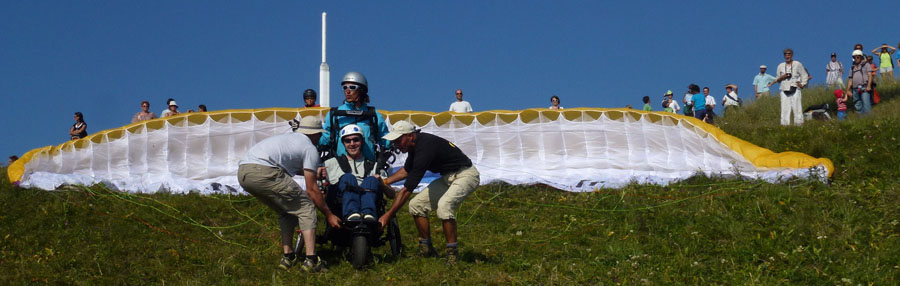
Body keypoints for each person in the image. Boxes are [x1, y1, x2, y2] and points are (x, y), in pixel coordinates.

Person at [237, 116, 340, 272]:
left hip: (244, 172)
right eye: (319, 134)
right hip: (265, 172)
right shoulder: (310, 148)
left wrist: (314, 170)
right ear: (314, 134)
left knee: (287, 210)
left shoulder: (288, 139)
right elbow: (312, 190)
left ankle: (288, 256)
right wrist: (329, 214)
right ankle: (311, 260)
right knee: (306, 206)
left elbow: (286, 164)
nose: (320, 138)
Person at [379, 121, 480, 265]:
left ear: (410, 136)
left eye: (398, 140)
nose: (396, 144)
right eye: (394, 141)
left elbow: (407, 188)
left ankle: (452, 254)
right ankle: (426, 249)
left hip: (466, 175)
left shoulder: (425, 148)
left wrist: (387, 216)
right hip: (447, 178)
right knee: (416, 205)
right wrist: (385, 182)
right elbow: (407, 170)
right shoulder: (414, 146)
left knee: (444, 206)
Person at [321, 124, 395, 221]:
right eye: (347, 141)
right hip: (339, 208)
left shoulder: (374, 166)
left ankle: (368, 215)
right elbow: (318, 191)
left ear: (362, 141)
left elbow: (391, 194)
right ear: (343, 143)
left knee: (371, 180)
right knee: (348, 178)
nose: (352, 144)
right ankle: (352, 214)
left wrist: (381, 182)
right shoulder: (330, 164)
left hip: (370, 209)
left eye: (356, 140)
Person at [320, 71, 390, 161]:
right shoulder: (334, 114)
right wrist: (312, 135)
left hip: (368, 166)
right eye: (345, 88)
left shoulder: (374, 115)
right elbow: (324, 140)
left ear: (361, 90)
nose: (347, 91)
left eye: (352, 87)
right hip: (341, 167)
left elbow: (385, 140)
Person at [768, 48, 808, 126]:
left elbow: (804, 74)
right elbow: (777, 79)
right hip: (784, 89)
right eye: (785, 54)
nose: (787, 56)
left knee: (797, 108)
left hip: (795, 88)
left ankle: (799, 125)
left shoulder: (797, 64)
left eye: (789, 54)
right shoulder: (780, 66)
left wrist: (803, 84)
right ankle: (784, 127)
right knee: (785, 109)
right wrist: (783, 77)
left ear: (792, 55)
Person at [846, 49, 875, 115]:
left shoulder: (866, 64)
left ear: (861, 57)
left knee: (866, 103)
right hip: (855, 89)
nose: (856, 58)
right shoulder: (852, 68)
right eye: (854, 57)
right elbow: (850, 80)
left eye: (857, 57)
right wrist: (847, 90)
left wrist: (869, 86)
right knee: (857, 106)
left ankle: (868, 119)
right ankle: (860, 120)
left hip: (864, 87)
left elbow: (870, 75)